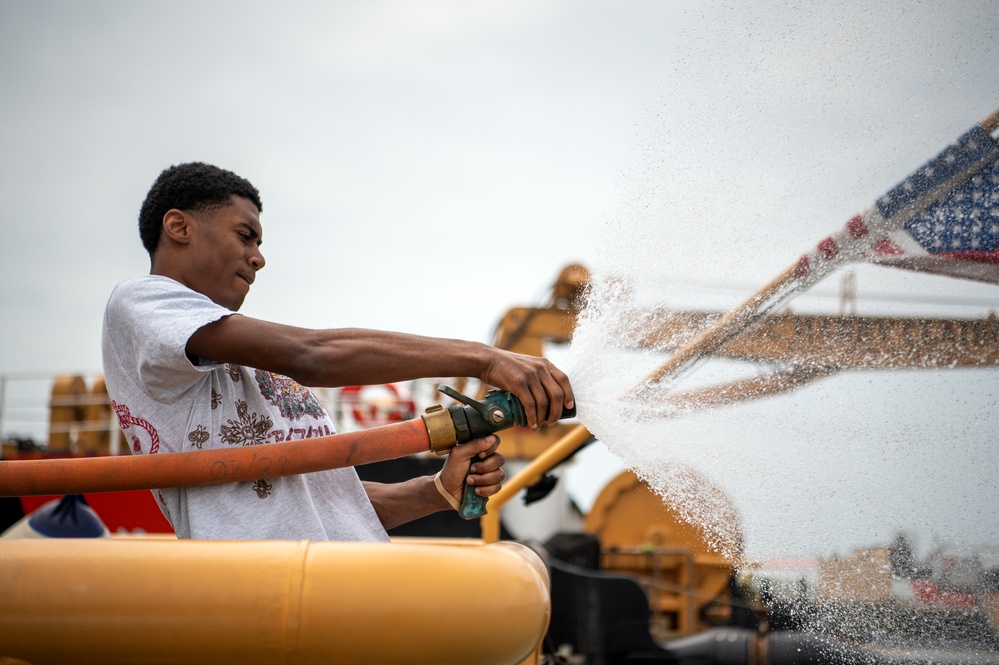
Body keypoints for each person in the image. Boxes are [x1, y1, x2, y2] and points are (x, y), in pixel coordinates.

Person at [101, 162, 574, 541]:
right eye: (245, 236)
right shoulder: (142, 302)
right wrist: (484, 358)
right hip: (274, 598)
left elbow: (323, 502)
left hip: (332, 593)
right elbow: (313, 354)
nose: (259, 257)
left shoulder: (231, 364)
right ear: (179, 227)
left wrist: (436, 490)